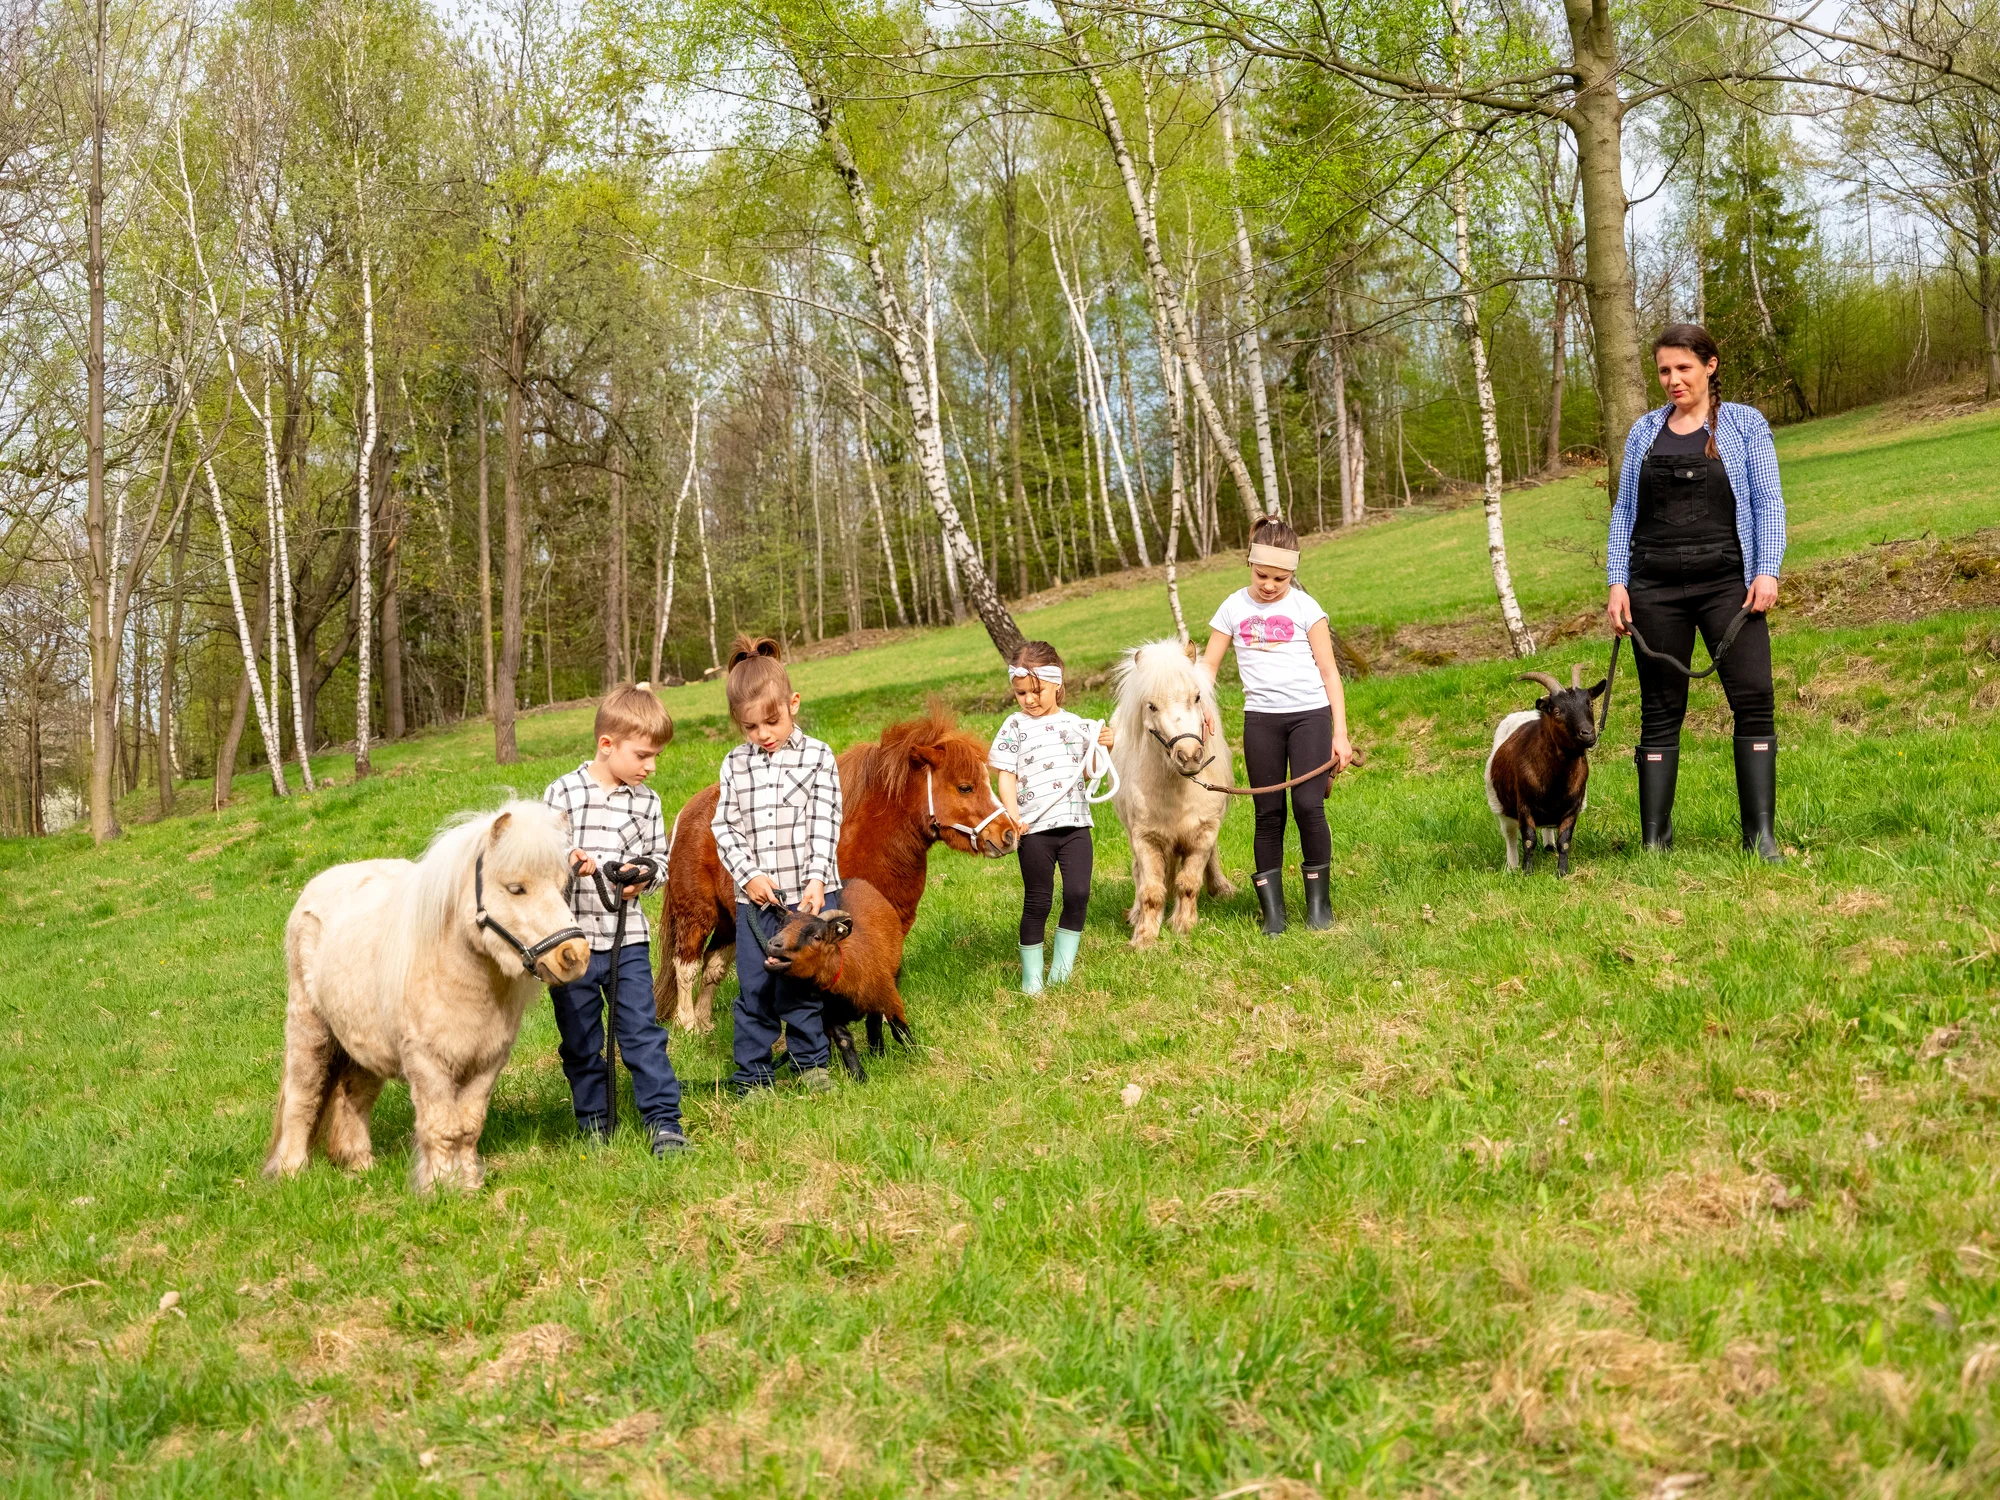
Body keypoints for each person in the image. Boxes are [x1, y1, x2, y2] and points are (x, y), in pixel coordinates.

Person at [1606, 324, 1787, 863]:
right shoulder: (1643, 431)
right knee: (1660, 709)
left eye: (1683, 368)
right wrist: (1617, 581)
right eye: (1664, 370)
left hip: (1727, 585)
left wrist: (1767, 571)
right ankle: (1654, 844)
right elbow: (1624, 512)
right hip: (1654, 587)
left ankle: (1760, 838)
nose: (1673, 380)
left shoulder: (1745, 424)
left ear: (1710, 365)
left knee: (1754, 698)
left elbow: (1768, 502)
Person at [541, 682, 687, 1156]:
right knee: (581, 1040)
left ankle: (664, 1122)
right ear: (607, 744)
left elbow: (660, 862)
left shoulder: (648, 802)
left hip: (628, 942)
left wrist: (643, 876)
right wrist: (568, 861)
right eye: (643, 755)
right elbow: (539, 860)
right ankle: (595, 1123)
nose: (651, 766)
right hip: (571, 944)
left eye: (655, 756)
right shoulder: (561, 793)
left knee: (642, 1034)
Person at [1198, 517, 1357, 935]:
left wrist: (1340, 734)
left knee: (1308, 805)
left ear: (1293, 572)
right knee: (1268, 813)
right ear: (1250, 563)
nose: (1269, 585)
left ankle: (1319, 907)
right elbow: (1208, 667)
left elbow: (1329, 672)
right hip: (1261, 721)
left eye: (1280, 578)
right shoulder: (1232, 607)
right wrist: (1201, 706)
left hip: (1310, 716)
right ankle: (1274, 914)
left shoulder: (1306, 608)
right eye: (1262, 575)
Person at [710, 636, 844, 1095]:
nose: (763, 734)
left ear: (793, 704)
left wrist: (817, 880)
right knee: (756, 988)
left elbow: (825, 821)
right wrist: (748, 875)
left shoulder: (818, 756)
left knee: (802, 985)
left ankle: (811, 1064)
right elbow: (724, 826)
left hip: (808, 898)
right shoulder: (735, 764)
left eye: (772, 721)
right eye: (750, 727)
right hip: (757, 903)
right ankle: (753, 1074)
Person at [989, 641, 1116, 994]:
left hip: (1075, 826)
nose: (1029, 700)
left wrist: (1103, 745)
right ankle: (1032, 979)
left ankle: (1061, 971)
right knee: (1038, 900)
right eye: (1021, 693)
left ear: (1057, 684)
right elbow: (1006, 775)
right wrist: (1013, 816)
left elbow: (1090, 770)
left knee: (1078, 893)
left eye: (1037, 691)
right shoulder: (1014, 725)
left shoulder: (1076, 725)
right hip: (1034, 831)